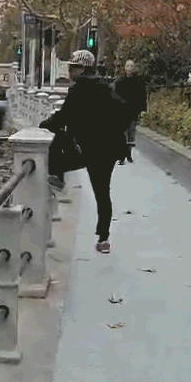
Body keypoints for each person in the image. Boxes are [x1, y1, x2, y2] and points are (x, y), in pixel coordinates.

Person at [41, 50, 129, 254]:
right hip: (109, 149)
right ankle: (104, 238)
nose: (70, 71)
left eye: (73, 68)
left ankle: (57, 177)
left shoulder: (78, 89)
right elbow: (124, 112)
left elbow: (64, 116)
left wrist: (45, 124)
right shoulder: (107, 86)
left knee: (57, 145)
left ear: (82, 69)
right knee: (103, 192)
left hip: (87, 149)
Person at [114, 59, 147, 164]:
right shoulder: (119, 82)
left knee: (131, 134)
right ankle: (122, 156)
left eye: (131, 66)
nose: (129, 68)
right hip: (122, 112)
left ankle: (128, 154)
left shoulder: (139, 82)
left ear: (134, 68)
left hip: (133, 111)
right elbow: (115, 96)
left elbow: (142, 96)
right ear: (125, 68)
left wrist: (143, 109)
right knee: (122, 134)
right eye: (128, 66)